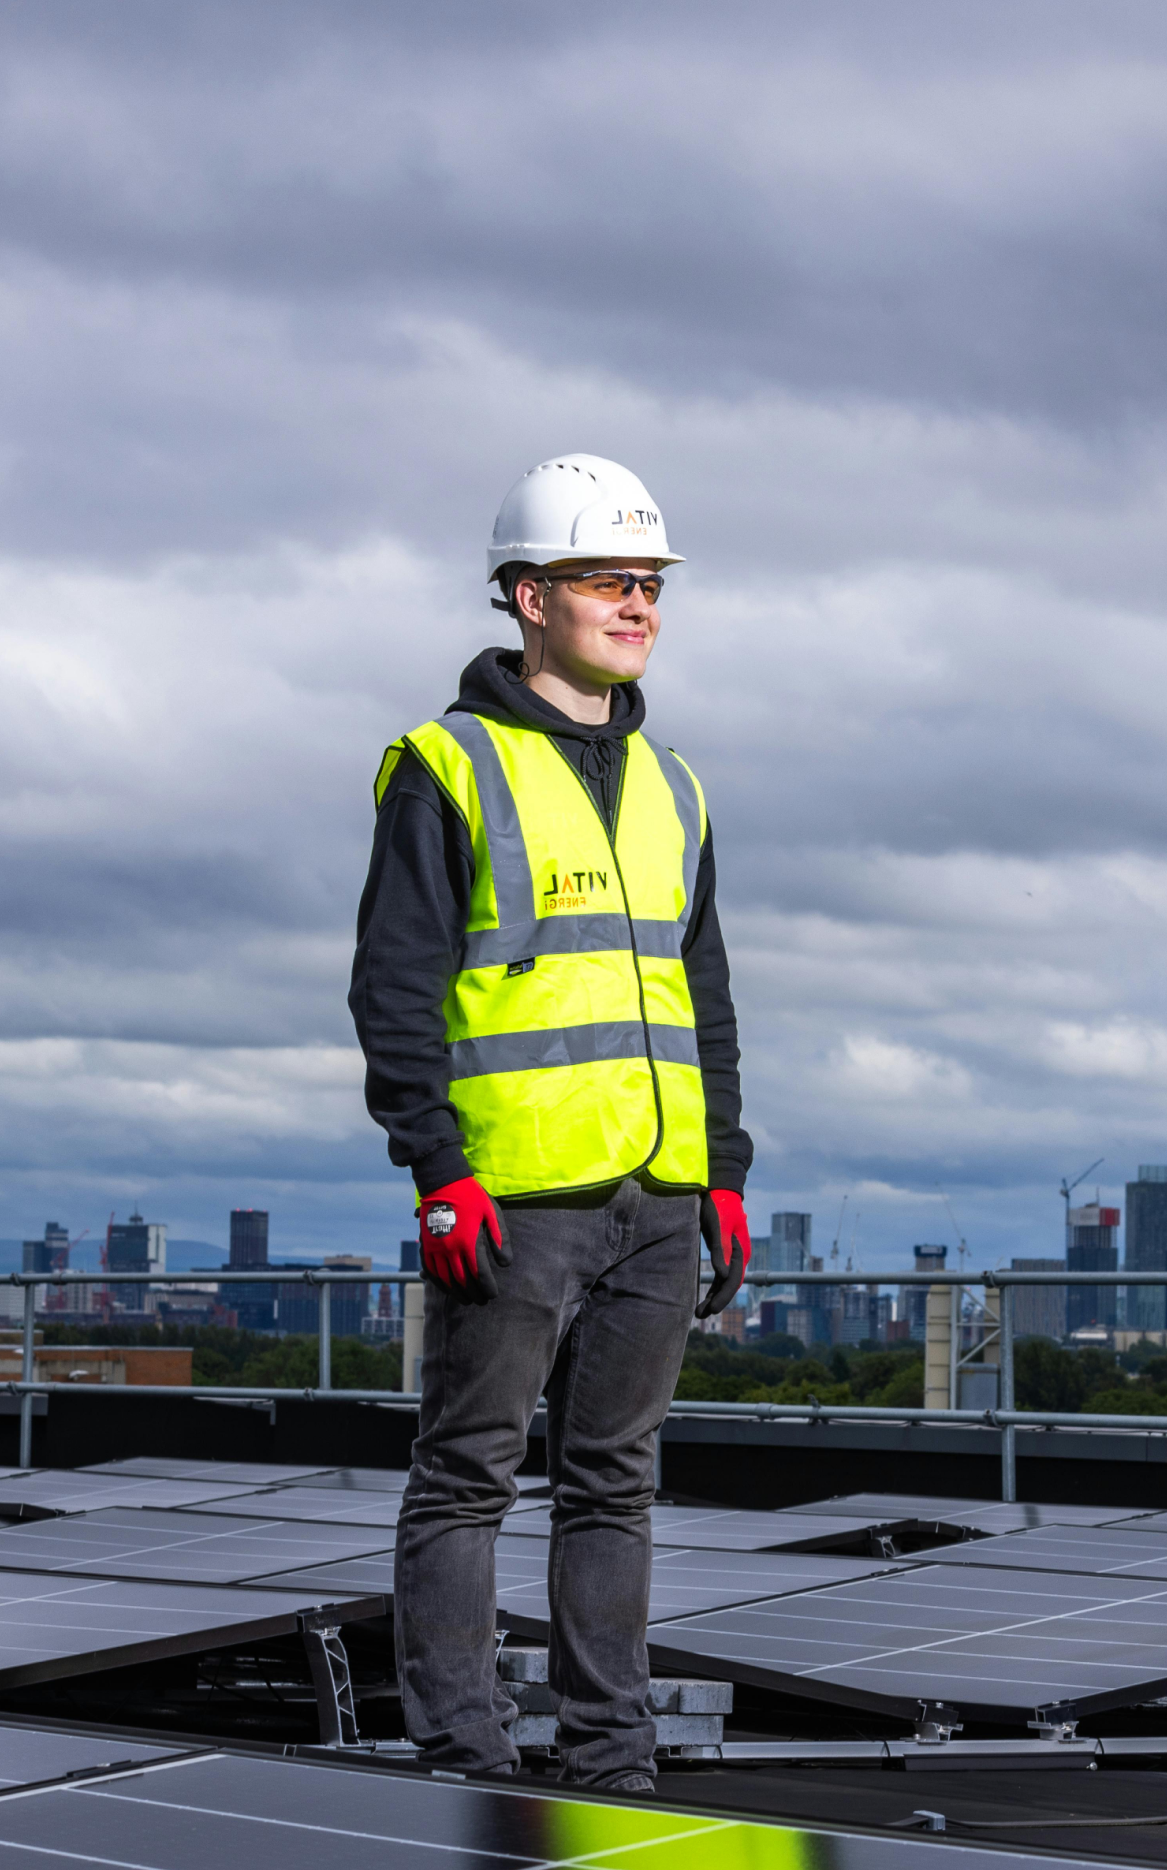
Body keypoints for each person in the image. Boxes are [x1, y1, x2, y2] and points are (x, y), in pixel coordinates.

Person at [349, 453, 750, 1791]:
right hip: (511, 1198)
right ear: (530, 596)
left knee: (615, 1487)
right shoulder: (447, 765)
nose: (638, 605)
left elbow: (702, 992)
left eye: (651, 584)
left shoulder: (675, 785)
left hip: (660, 1197)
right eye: (606, 580)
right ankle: (464, 1756)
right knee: (468, 1474)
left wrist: (724, 1169)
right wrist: (438, 1166)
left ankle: (610, 1760)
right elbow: (394, 985)